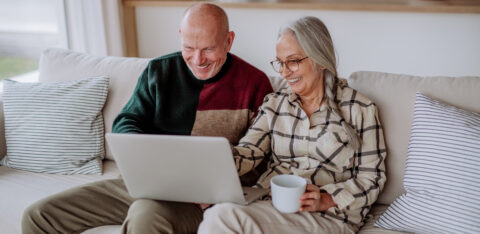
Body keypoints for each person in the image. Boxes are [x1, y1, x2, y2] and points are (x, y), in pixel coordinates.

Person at [21, 3, 273, 234]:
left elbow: (261, 156)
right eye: (189, 48)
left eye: (208, 49)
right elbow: (126, 121)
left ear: (228, 41)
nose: (198, 60)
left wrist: (217, 189)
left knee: (145, 219)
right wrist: (146, 162)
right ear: (180, 37)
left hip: (200, 200)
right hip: (147, 183)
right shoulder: (159, 71)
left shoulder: (255, 84)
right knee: (38, 216)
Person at [198, 16, 387, 234]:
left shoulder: (360, 108)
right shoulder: (275, 105)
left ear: (320, 59)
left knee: (221, 217)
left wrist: (326, 199)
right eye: (280, 62)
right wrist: (209, 165)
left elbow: (372, 178)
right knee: (219, 213)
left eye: (293, 61)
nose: (285, 72)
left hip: (329, 217)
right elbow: (247, 153)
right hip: (273, 207)